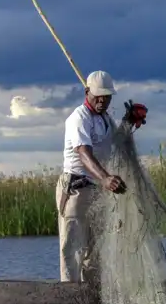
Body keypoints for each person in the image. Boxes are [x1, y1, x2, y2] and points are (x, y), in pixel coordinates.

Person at [56, 70, 148, 283]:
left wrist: (129, 121)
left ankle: (90, 295)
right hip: (76, 189)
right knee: (72, 247)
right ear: (87, 92)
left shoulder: (105, 118)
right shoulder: (78, 118)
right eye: (98, 96)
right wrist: (106, 178)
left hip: (97, 189)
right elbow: (84, 154)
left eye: (106, 96)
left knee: (95, 248)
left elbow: (116, 142)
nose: (102, 100)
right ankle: (69, 293)